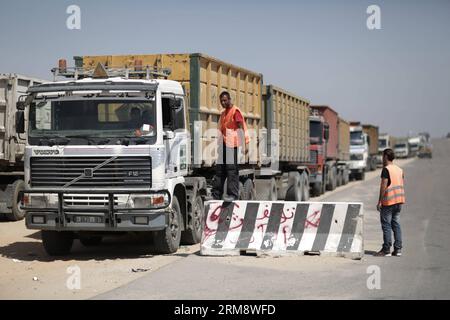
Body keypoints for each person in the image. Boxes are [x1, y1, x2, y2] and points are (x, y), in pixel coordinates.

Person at [212, 91, 249, 201]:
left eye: (225, 100)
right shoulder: (224, 113)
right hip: (224, 144)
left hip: (232, 144)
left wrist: (244, 146)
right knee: (220, 170)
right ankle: (216, 194)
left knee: (231, 170)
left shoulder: (235, 111)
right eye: (221, 101)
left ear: (229, 99)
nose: (223, 102)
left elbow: (240, 128)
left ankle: (233, 194)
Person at [374, 148, 405, 257]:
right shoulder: (400, 170)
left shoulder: (386, 170)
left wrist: (379, 201)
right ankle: (398, 250)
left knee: (386, 225)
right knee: (396, 224)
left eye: (383, 156)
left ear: (386, 157)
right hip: (399, 201)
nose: (382, 158)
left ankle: (386, 250)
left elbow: (383, 185)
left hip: (389, 201)